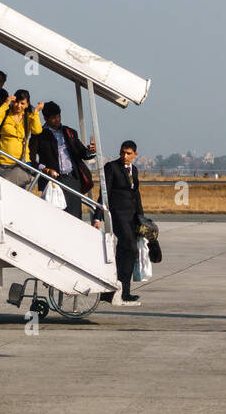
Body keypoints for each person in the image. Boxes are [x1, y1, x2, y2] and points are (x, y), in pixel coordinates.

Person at [93, 139, 144, 305]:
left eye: (129, 153)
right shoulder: (112, 167)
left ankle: (122, 292)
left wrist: (141, 219)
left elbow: (136, 196)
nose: (125, 156)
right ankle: (117, 290)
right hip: (118, 214)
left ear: (135, 155)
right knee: (128, 246)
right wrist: (97, 217)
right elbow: (104, 192)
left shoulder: (134, 170)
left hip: (131, 215)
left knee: (127, 252)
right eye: (123, 152)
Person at [31, 101, 96, 219]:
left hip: (72, 179)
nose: (57, 120)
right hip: (52, 181)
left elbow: (82, 153)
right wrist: (45, 170)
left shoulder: (69, 132)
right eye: (53, 118)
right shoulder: (39, 135)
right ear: (45, 118)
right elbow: (31, 160)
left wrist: (90, 151)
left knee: (75, 216)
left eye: (58, 116)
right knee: (55, 217)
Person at [0, 90, 43, 188]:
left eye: (22, 103)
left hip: (23, 161)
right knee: (4, 190)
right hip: (5, 161)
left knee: (20, 191)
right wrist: (6, 104)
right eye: (17, 102)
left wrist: (36, 113)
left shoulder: (29, 116)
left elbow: (37, 131)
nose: (19, 106)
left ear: (27, 104)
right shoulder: (6, 113)